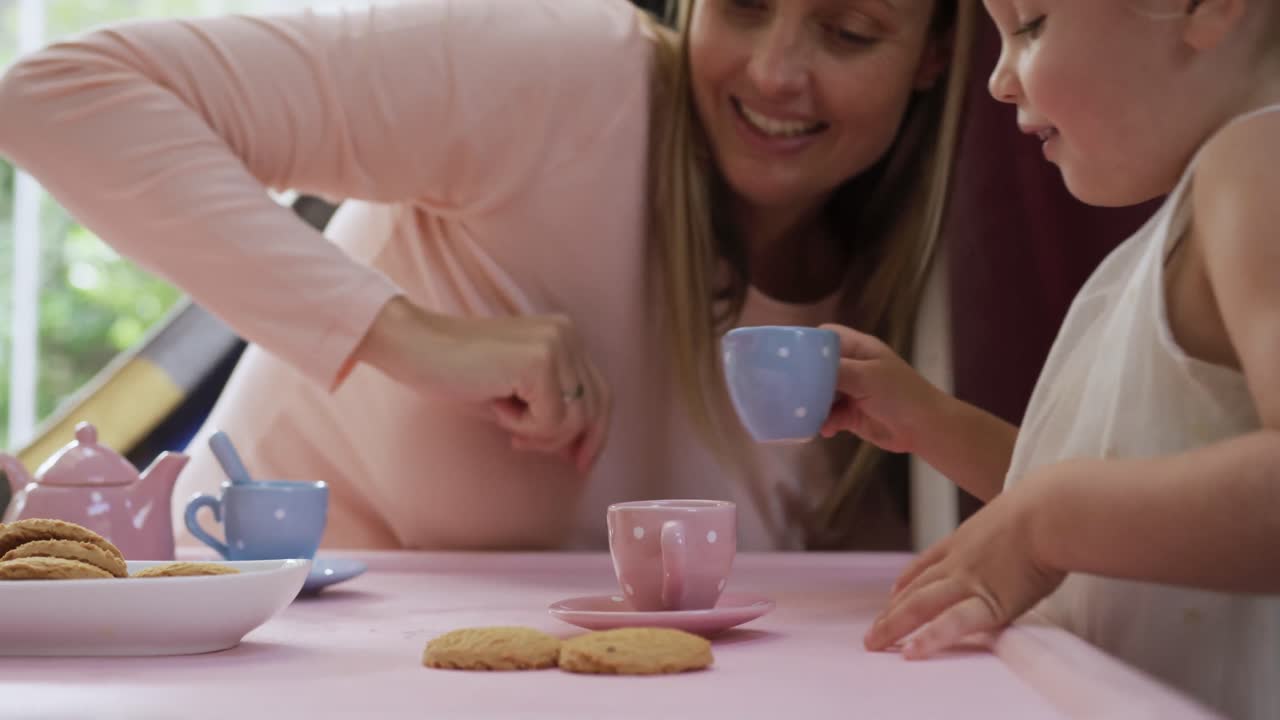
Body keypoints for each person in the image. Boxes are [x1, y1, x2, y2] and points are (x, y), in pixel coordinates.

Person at [0, 0, 971, 553]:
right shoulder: (564, 77)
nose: (772, 73)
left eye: (847, 29)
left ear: (933, 55)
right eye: (743, 5)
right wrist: (412, 337)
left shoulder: (915, 300)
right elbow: (57, 97)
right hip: (237, 654)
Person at [819, 0, 1280, 716]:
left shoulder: (1258, 169)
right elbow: (1141, 502)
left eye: (1031, 25)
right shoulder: (1209, 201)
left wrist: (1043, 524)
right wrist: (932, 423)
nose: (1000, 80)